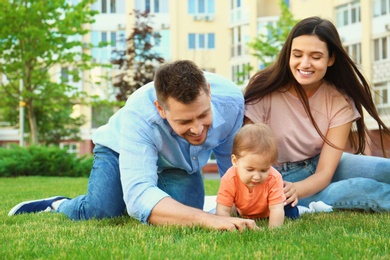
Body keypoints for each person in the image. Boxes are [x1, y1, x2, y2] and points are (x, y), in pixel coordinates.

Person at [8, 60, 258, 231]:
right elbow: (138, 199)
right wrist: (208, 219)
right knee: (104, 210)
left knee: (185, 211)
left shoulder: (232, 100)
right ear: (160, 109)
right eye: (184, 121)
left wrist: (238, 202)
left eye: (203, 115)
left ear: (209, 93)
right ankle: (58, 204)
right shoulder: (138, 113)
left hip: (178, 162)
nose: (197, 129)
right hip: (120, 149)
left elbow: (231, 163)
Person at [244, 16, 390, 212]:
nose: (304, 64)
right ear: (288, 55)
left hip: (320, 167)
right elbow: (248, 157)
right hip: (278, 177)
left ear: (330, 59)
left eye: (315, 56)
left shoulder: (339, 99)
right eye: (297, 55)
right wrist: (292, 189)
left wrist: (300, 188)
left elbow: (325, 172)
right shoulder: (264, 89)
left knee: (385, 170)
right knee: (364, 189)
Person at [216, 123, 299, 229]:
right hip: (244, 208)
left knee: (289, 209)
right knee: (232, 210)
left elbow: (276, 208)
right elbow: (222, 209)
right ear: (235, 161)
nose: (257, 177)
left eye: (264, 170)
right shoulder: (229, 178)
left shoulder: (274, 178)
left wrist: (273, 231)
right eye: (250, 169)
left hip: (270, 208)